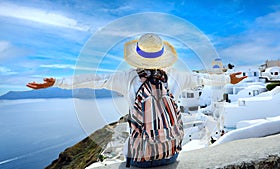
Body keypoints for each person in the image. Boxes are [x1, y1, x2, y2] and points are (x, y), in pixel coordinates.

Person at [27, 33, 247, 168]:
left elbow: (93, 80)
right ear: (163, 56)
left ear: (137, 56)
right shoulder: (178, 76)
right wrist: (229, 78)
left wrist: (57, 82)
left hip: (141, 159)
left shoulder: (127, 78)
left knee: (127, 146)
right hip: (171, 153)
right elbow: (205, 79)